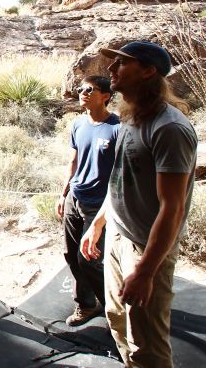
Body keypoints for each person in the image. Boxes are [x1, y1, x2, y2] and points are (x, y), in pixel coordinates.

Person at [80, 41, 198, 367]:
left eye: (122, 63)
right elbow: (120, 179)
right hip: (118, 237)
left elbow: (172, 209)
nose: (111, 69)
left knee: (147, 343)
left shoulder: (169, 128)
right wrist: (100, 222)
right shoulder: (130, 119)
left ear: (148, 71)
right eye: (113, 63)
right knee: (116, 317)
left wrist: (146, 271)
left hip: (146, 249)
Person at [56, 75, 120, 326]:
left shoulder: (117, 128)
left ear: (105, 95)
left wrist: (105, 216)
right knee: (71, 254)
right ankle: (85, 304)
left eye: (90, 89)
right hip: (75, 196)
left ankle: (113, 310)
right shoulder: (78, 124)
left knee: (89, 260)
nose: (82, 92)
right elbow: (74, 160)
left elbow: (120, 174)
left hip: (99, 204)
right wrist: (63, 194)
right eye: (81, 89)